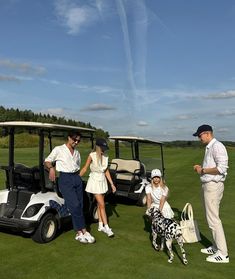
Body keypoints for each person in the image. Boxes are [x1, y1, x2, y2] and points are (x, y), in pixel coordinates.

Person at [44, 131, 95, 244]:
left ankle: (81, 232)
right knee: (75, 205)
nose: (76, 142)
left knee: (80, 205)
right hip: (65, 179)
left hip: (76, 178)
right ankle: (82, 230)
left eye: (78, 141)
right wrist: (51, 168)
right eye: (74, 139)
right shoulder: (59, 149)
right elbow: (47, 161)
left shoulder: (77, 153)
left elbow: (77, 166)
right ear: (68, 138)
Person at [193, 124, 229, 263]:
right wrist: (202, 170)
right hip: (208, 186)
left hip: (213, 186)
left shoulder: (217, 146)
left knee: (214, 219)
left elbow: (221, 168)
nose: (199, 138)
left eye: (200, 135)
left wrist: (202, 170)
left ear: (207, 133)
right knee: (210, 218)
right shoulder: (210, 147)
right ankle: (215, 246)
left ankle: (223, 254)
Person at [80, 138, 116, 237]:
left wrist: (112, 184)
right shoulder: (91, 156)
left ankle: (100, 225)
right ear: (98, 147)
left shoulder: (106, 156)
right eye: (103, 147)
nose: (104, 150)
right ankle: (107, 227)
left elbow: (106, 171)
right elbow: (85, 168)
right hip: (94, 182)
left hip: (102, 182)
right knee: (102, 204)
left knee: (100, 205)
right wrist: (77, 178)